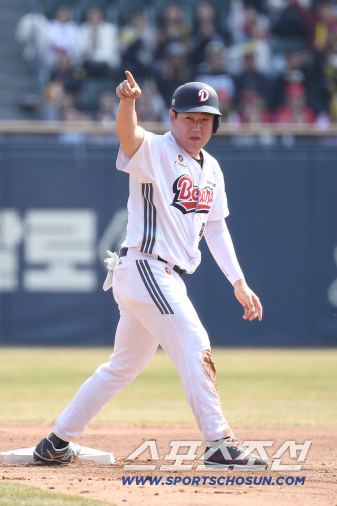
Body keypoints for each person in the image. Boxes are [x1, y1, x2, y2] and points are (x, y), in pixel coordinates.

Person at [32, 71, 267, 469]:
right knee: (195, 342)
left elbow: (215, 227)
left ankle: (55, 442)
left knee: (120, 368)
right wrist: (127, 103)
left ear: (215, 124)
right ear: (173, 117)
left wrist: (238, 282)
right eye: (189, 118)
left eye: (205, 119)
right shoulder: (157, 150)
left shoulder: (212, 169)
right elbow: (128, 135)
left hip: (160, 275)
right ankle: (218, 442)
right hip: (148, 268)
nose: (197, 126)